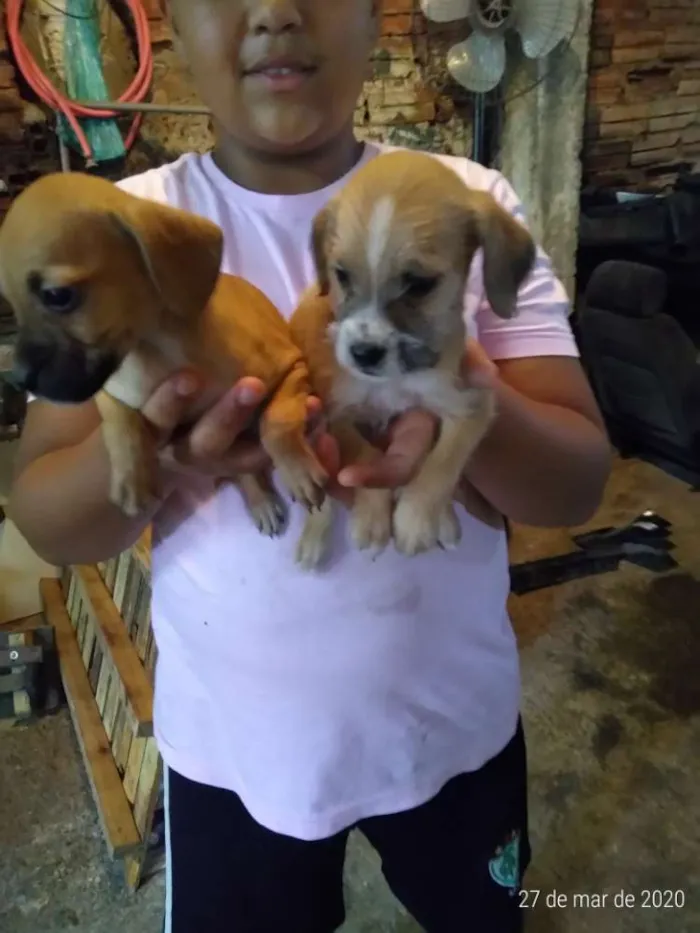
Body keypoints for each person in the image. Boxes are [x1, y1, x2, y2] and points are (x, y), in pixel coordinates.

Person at [8, 2, 612, 931]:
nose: (278, 11)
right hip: (234, 751)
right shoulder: (119, 226)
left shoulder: (468, 199)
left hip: (450, 725)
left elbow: (576, 484)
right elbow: (48, 518)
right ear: (169, 19)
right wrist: (157, 451)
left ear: (376, 16)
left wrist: (463, 392)